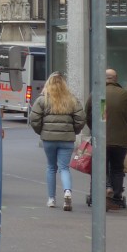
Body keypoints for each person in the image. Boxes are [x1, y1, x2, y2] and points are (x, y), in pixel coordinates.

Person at [29, 71, 86, 210]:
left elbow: (34, 119)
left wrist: (41, 131)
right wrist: (74, 131)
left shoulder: (42, 100)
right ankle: (67, 192)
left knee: (51, 168)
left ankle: (51, 199)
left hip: (49, 139)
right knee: (64, 168)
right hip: (66, 139)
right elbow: (81, 119)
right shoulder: (72, 100)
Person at [86, 68, 127, 209]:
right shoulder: (125, 95)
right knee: (118, 168)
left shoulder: (97, 93)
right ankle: (117, 196)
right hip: (121, 139)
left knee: (99, 167)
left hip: (101, 138)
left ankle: (102, 190)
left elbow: (88, 114)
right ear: (116, 79)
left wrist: (94, 128)